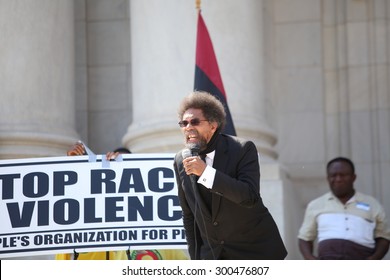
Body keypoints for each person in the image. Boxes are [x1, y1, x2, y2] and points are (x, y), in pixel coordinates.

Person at [173, 91, 287, 260]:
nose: (188, 127)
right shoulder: (180, 159)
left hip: (253, 252)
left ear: (213, 125)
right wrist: (195, 259)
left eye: (195, 121)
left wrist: (205, 173)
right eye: (183, 123)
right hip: (212, 255)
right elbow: (189, 214)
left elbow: (249, 196)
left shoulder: (242, 149)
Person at [56, 142, 189, 260]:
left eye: (127, 172)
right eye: (115, 172)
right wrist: (73, 165)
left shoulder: (160, 240)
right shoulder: (88, 233)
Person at [298, 157, 390, 260]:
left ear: (353, 177)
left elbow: (384, 236)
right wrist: (310, 259)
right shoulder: (315, 205)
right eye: (333, 175)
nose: (338, 179)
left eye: (343, 175)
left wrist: (373, 259)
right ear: (328, 178)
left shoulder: (372, 204)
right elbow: (305, 238)